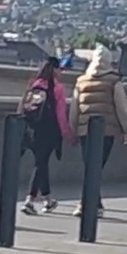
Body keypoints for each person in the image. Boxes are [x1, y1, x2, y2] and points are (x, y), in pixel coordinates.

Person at [17, 54, 72, 214]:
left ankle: (48, 200)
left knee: (42, 163)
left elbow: (22, 106)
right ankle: (30, 200)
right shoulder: (58, 88)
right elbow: (60, 114)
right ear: (55, 70)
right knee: (40, 165)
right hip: (48, 131)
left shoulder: (34, 84)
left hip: (31, 129)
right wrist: (67, 132)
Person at [72, 43, 127, 170]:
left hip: (84, 129)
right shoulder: (114, 81)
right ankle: (94, 189)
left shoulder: (81, 81)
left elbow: (74, 108)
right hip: (106, 129)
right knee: (98, 165)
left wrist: (74, 129)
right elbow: (122, 109)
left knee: (88, 164)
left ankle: (88, 189)